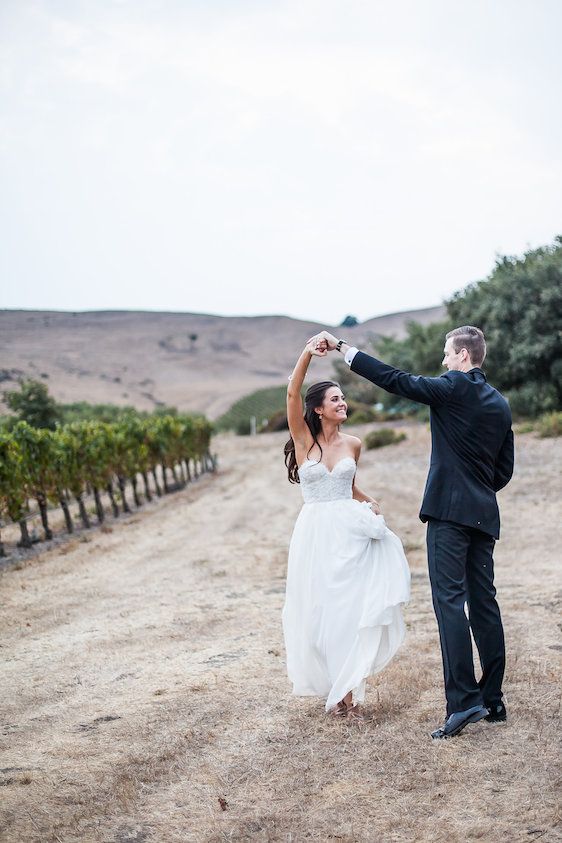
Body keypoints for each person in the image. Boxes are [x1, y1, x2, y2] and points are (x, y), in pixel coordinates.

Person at [310, 326, 514, 739]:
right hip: (483, 515)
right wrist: (476, 490)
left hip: (449, 515)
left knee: (450, 603)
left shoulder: (451, 387)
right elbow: (504, 470)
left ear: (460, 355)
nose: (442, 361)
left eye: (445, 354)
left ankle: (463, 703)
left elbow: (394, 379)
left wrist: (344, 348)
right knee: (484, 603)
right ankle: (492, 699)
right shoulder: (500, 403)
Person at [282, 338, 410, 720]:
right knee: (320, 610)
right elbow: (291, 392)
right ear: (318, 410)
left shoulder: (354, 444)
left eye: (343, 398)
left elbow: (348, 487)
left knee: (351, 610)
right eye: (334, 399)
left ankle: (348, 695)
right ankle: (334, 689)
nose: (342, 403)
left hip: (349, 532)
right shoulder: (305, 442)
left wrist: (368, 501)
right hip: (316, 533)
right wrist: (307, 352)